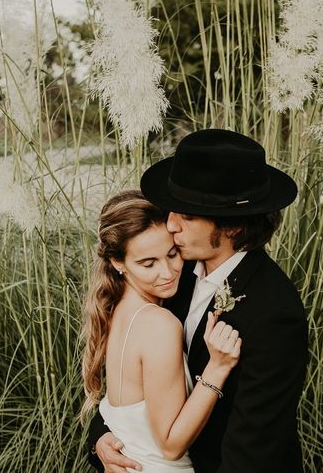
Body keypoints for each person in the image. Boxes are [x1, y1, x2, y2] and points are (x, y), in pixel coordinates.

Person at [87, 129, 309, 473]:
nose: (171, 225)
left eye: (187, 217)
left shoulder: (275, 313)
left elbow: (251, 453)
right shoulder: (173, 268)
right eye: (173, 210)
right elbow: (133, 378)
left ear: (232, 227)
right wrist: (102, 437)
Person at [81, 190, 244, 472]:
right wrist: (216, 368)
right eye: (148, 264)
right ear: (118, 263)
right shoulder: (159, 324)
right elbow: (171, 445)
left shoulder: (115, 309)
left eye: (172, 254)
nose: (168, 273)